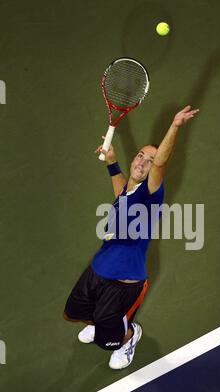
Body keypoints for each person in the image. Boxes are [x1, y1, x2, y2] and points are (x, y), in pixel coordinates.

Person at [63, 105, 200, 370]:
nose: (142, 162)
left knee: (108, 339)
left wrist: (175, 125)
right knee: (76, 310)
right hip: (100, 267)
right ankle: (99, 323)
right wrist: (113, 161)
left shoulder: (152, 193)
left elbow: (161, 162)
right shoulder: (132, 189)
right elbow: (121, 193)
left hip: (125, 281)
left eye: (150, 160)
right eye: (140, 155)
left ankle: (128, 336)